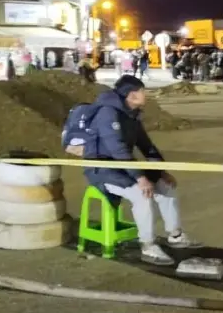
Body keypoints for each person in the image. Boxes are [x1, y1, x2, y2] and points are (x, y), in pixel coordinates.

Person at [85, 75, 198, 265]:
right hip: (102, 169)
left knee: (165, 185)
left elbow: (147, 146)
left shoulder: (131, 115)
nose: (146, 94)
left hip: (123, 167)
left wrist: (161, 170)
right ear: (131, 95)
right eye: (143, 91)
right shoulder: (108, 113)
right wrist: (140, 178)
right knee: (142, 193)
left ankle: (175, 235)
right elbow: (117, 150)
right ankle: (148, 245)